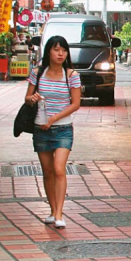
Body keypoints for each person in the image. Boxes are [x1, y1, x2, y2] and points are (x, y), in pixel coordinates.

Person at [24, 35, 82, 228]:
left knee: (59, 169)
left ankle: (59, 214)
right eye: (56, 49)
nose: (60, 54)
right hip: (41, 127)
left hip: (63, 128)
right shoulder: (38, 72)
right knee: (47, 171)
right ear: (48, 51)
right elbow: (27, 97)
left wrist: (54, 119)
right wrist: (33, 99)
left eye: (64, 50)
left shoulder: (71, 75)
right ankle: (52, 209)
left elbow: (75, 104)